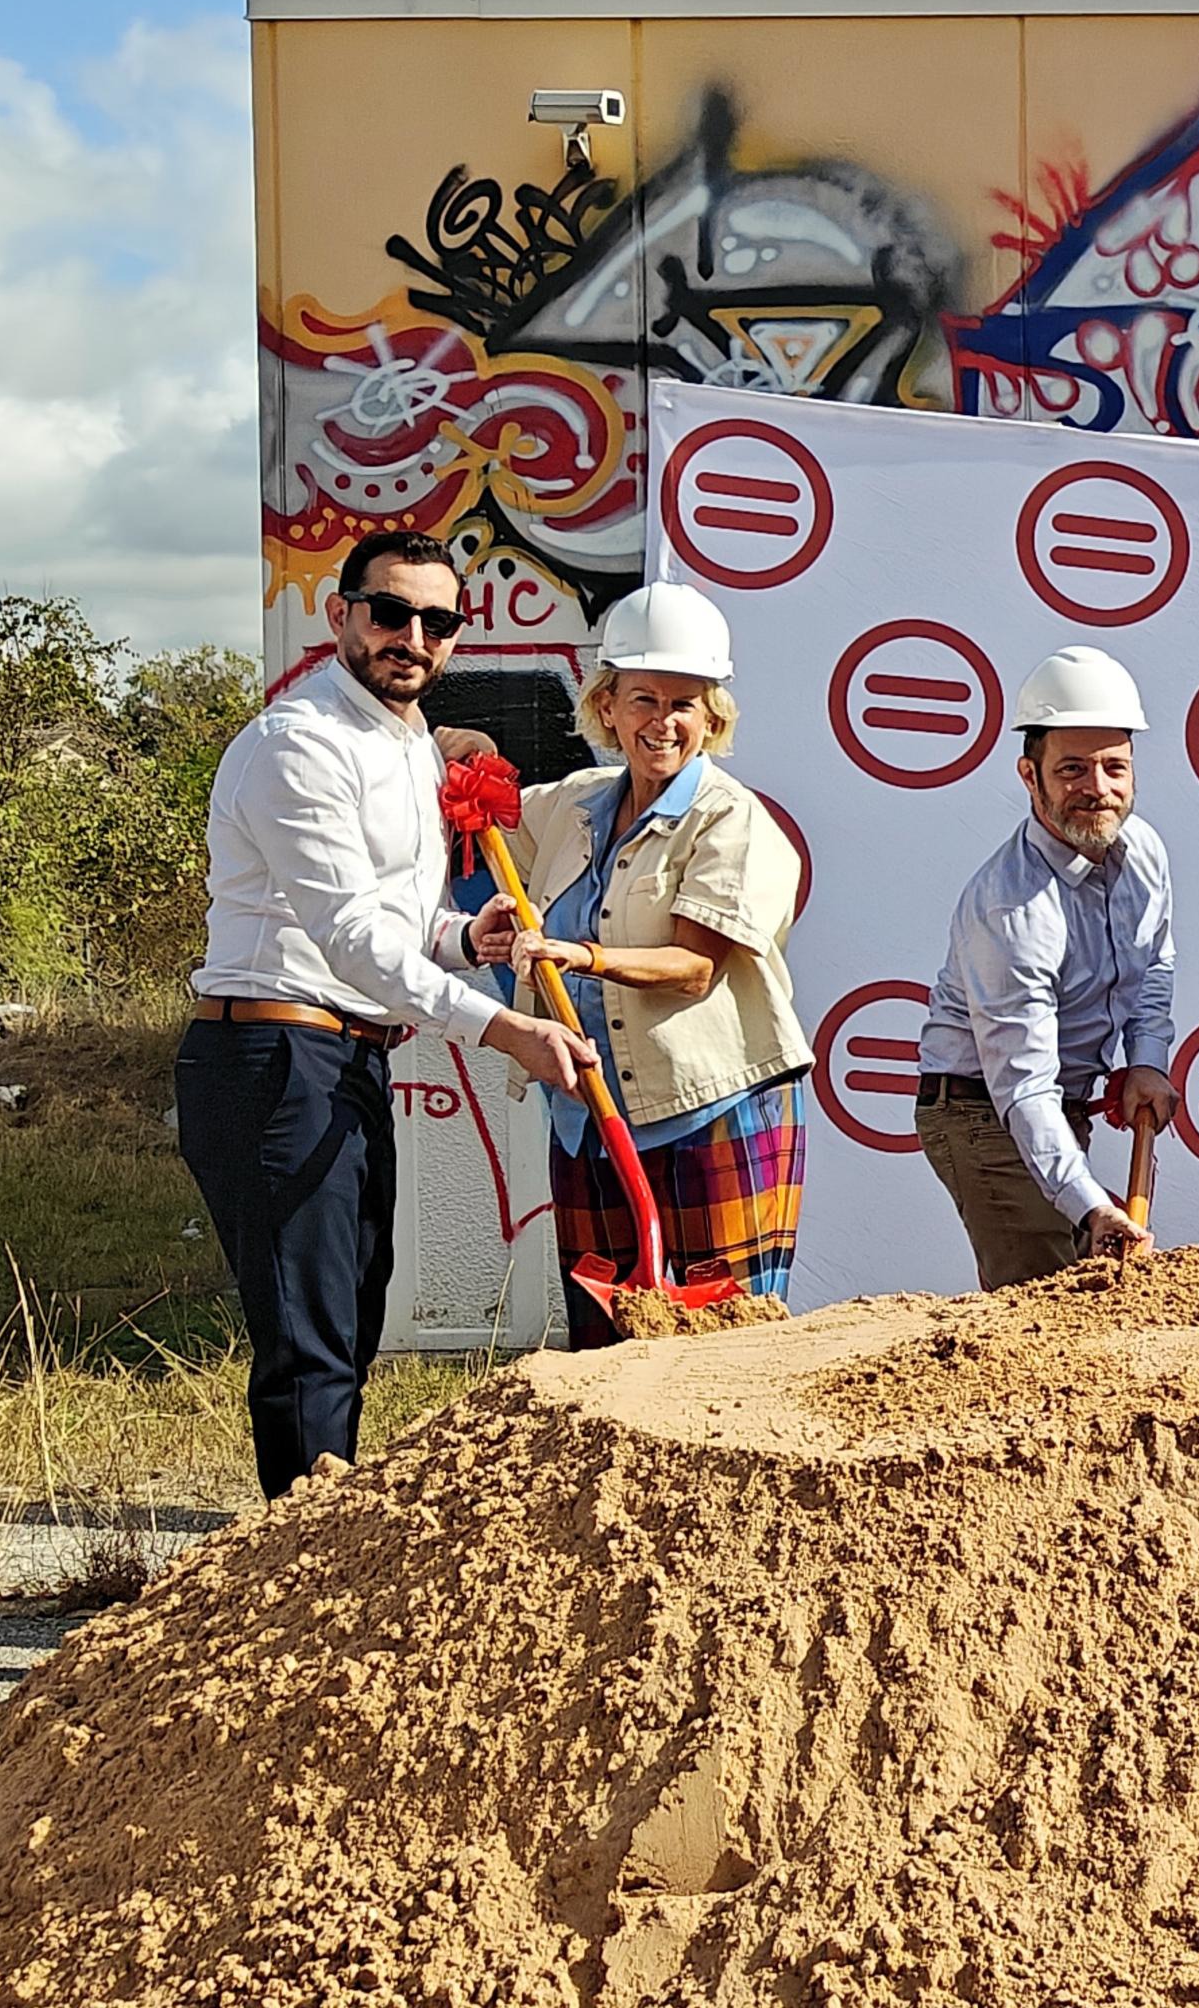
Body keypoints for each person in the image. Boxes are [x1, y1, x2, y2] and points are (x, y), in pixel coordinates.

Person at [182, 531, 595, 1492]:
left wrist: (465, 938)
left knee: (351, 1314)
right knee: (310, 1340)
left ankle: (317, 1548)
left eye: (437, 621)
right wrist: (505, 1028)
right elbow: (349, 937)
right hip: (272, 1058)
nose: (413, 636)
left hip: (344, 1056)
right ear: (341, 614)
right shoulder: (301, 745)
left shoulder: (404, 741)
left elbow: (401, 928)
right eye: (390, 612)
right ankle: (299, 1579)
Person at [470, 583, 812, 1342]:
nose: (662, 723)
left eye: (684, 704)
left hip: (711, 1110)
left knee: (729, 1344)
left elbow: (695, 968)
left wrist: (577, 955)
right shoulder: (575, 805)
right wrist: (459, 753)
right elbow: (489, 830)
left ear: (711, 717)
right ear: (607, 706)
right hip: (589, 1115)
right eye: (643, 699)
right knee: (604, 1345)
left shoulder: (730, 819)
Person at [912, 646, 1177, 1288]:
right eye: (1073, 770)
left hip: (1059, 1107)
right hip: (981, 1113)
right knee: (1044, 1305)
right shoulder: (1011, 906)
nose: (1098, 789)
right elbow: (1022, 1088)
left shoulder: (1141, 848)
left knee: (1076, 1300)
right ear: (1030, 776)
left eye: (1115, 767)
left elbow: (1154, 968)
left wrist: (1146, 1060)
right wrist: (1088, 1205)